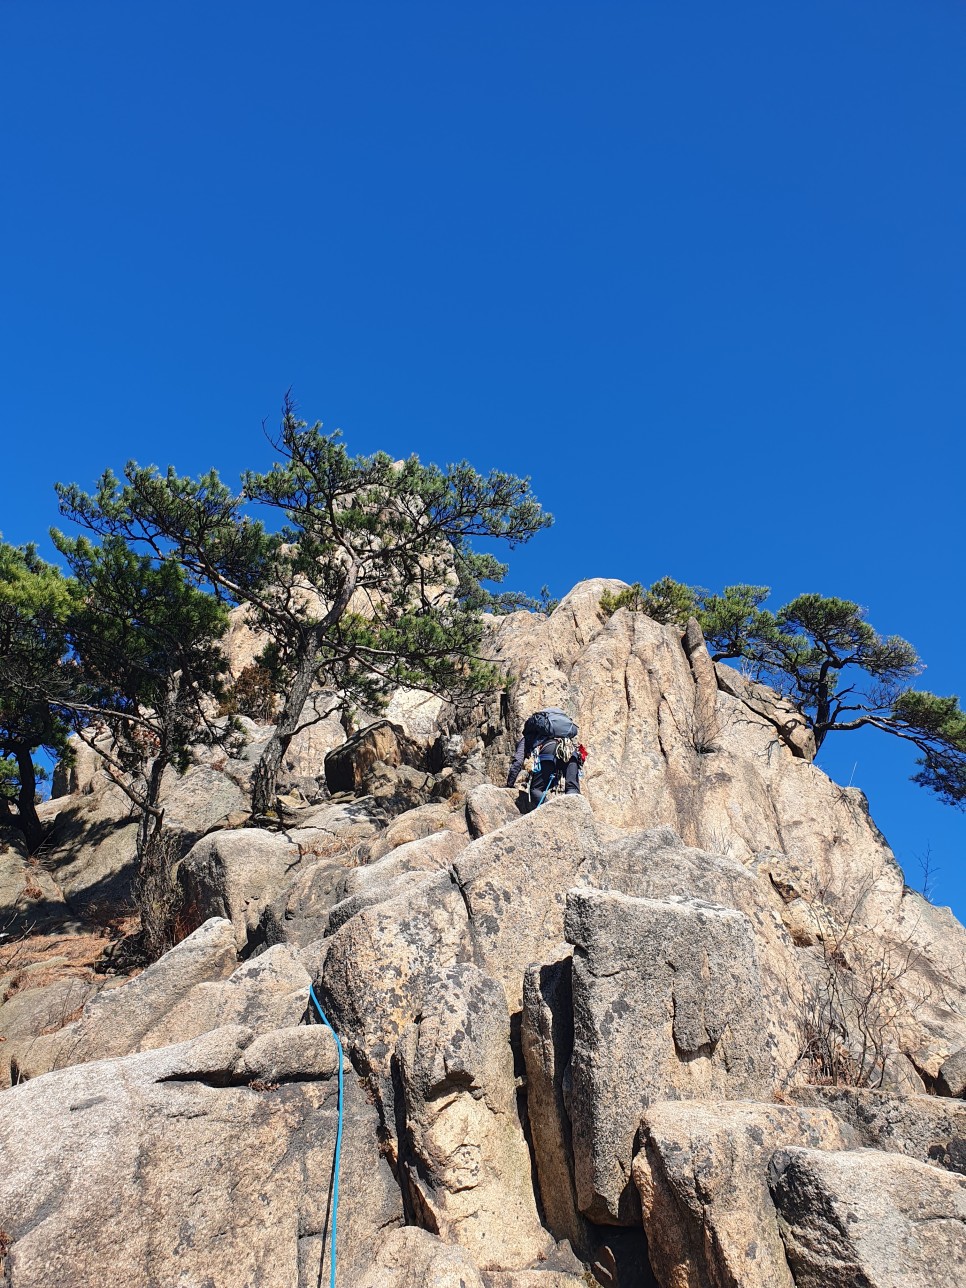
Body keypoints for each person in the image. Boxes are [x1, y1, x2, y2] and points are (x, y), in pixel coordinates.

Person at [507, 721, 587, 808]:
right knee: (572, 789)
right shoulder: (561, 735)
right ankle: (574, 814)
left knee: (535, 790)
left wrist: (509, 784)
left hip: (549, 750)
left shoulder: (526, 739)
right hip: (569, 749)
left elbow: (517, 762)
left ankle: (551, 813)